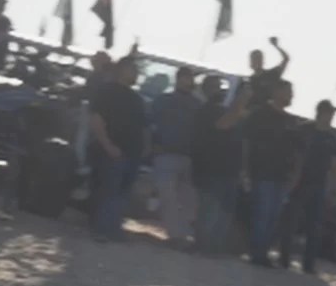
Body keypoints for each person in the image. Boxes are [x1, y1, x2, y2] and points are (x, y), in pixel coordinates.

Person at [84, 55, 150, 243]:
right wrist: (107, 144)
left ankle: (113, 228)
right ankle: (101, 229)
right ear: (121, 70)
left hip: (133, 152)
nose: (136, 73)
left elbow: (143, 125)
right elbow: (96, 120)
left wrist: (145, 146)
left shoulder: (136, 98)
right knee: (108, 190)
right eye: (133, 70)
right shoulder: (106, 91)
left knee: (123, 192)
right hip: (112, 149)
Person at [241, 80, 299, 267]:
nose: (290, 96)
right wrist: (245, 169)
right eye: (287, 91)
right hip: (262, 173)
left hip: (281, 177)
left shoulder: (290, 121)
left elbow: (296, 152)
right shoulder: (259, 115)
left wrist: (293, 175)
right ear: (275, 92)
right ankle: (256, 254)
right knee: (262, 215)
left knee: (273, 218)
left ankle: (263, 253)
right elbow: (246, 143)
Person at [191, 74, 249, 254]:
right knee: (210, 210)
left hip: (231, 170)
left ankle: (216, 247)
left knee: (225, 213)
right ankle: (202, 245)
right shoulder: (208, 110)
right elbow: (224, 124)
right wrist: (241, 100)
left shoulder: (231, 111)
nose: (220, 90)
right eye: (216, 87)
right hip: (212, 169)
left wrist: (242, 169)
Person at [282, 100, 336, 273]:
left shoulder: (331, 138)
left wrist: (333, 188)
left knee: (314, 227)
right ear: (320, 113)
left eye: (332, 114)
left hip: (319, 185)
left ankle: (309, 264)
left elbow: (334, 165)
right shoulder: (304, 131)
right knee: (291, 223)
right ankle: (284, 258)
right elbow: (291, 154)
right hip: (300, 182)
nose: (330, 117)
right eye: (328, 113)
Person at [148, 66, 201, 248]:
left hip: (189, 157)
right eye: (186, 77)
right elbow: (151, 124)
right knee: (167, 196)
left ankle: (184, 236)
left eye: (191, 78)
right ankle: (174, 236)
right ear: (178, 79)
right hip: (166, 154)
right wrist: (153, 146)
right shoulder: (163, 100)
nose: (189, 81)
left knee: (188, 200)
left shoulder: (198, 105)